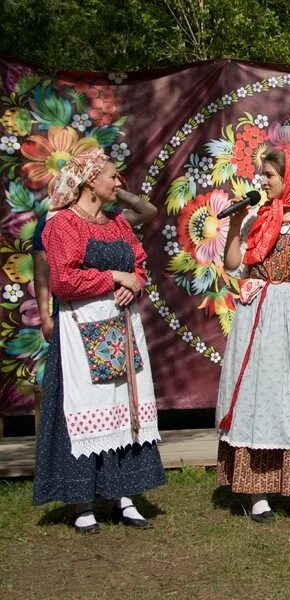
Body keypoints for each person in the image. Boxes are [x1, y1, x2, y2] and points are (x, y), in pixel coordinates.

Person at [33, 148, 164, 533]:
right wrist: (115, 278)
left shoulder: (117, 224)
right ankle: (82, 501)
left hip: (121, 328)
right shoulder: (63, 225)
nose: (117, 182)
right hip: (80, 331)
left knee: (124, 407)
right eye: (111, 176)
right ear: (91, 180)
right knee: (86, 407)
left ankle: (124, 494)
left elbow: (137, 261)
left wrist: (134, 283)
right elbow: (63, 281)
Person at [215, 149, 290, 521]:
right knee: (261, 395)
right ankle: (258, 494)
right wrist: (236, 224)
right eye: (262, 175)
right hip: (261, 311)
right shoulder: (257, 216)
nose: (262, 181)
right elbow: (235, 265)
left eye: (269, 174)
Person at [33, 182, 158, 341]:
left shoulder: (112, 219)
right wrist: (44, 316)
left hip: (118, 315)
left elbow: (149, 211)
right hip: (74, 312)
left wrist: (114, 189)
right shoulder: (54, 221)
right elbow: (41, 271)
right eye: (111, 178)